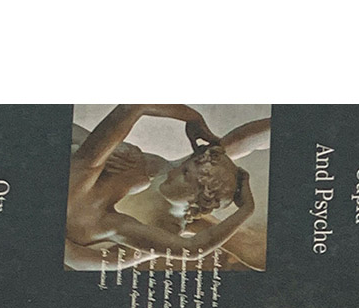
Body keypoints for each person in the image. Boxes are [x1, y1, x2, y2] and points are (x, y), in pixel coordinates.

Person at [64, 104, 268, 271]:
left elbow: (133, 106)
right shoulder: (111, 221)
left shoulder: (90, 166)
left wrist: (193, 118)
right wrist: (246, 208)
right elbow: (106, 261)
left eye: (184, 171)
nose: (174, 170)